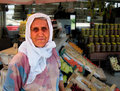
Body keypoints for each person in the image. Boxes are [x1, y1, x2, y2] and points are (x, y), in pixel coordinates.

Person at [3, 13, 65, 91]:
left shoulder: (53, 52)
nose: (40, 34)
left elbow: (59, 75)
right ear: (29, 33)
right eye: (35, 29)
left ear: (50, 31)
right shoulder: (19, 61)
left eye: (44, 29)